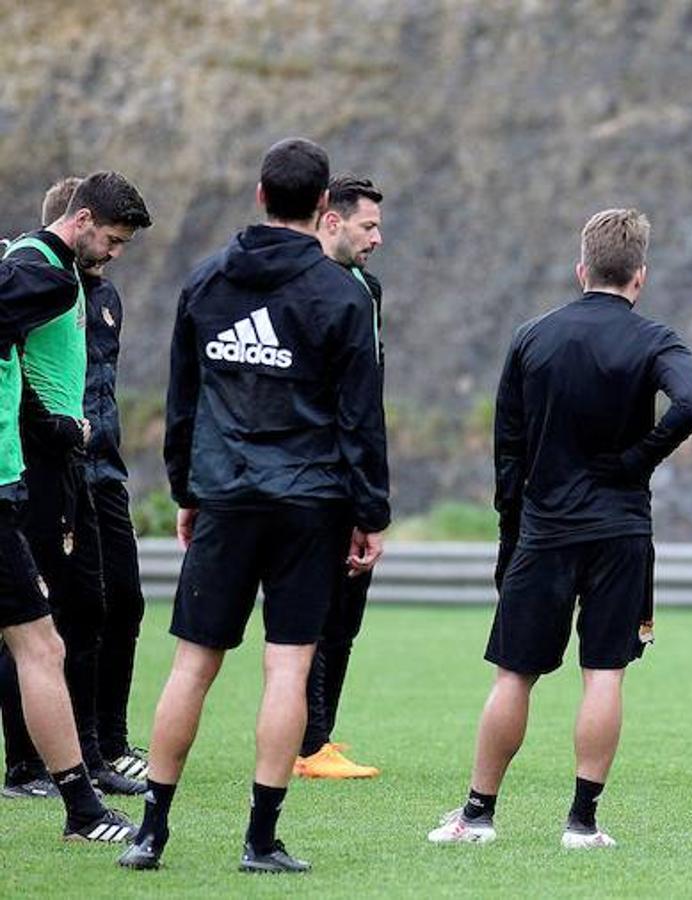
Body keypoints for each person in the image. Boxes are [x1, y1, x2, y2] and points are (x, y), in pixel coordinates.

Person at [119, 138, 388, 873]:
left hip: (226, 498)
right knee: (286, 671)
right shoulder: (341, 295)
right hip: (312, 503)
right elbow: (360, 417)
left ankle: (151, 833)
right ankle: (259, 840)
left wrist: (185, 491)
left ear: (260, 195)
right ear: (322, 207)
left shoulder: (206, 282)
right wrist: (372, 513)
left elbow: (183, 402)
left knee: (191, 667)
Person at [428, 209, 692, 849]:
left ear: (582, 269)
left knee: (514, 675)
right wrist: (639, 459)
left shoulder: (533, 337)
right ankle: (581, 822)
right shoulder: (655, 339)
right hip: (620, 530)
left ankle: (477, 815)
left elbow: (508, 450)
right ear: (640, 276)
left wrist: (509, 535)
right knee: (604, 672)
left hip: (544, 529)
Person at [0, 172, 152, 801]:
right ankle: (38, 767)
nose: (115, 254)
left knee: (79, 611)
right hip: (35, 467)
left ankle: (83, 756)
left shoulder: (66, 277)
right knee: (41, 622)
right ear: (82, 218)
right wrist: (56, 424)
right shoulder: (43, 271)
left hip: (61, 463)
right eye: (113, 240)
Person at [296, 174, 387, 780]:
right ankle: (307, 742)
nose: (377, 237)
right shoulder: (303, 284)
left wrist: (372, 495)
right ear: (332, 220)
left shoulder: (366, 288)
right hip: (316, 476)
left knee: (345, 614)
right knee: (317, 609)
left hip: (354, 473)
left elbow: (367, 396)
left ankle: (320, 733)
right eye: (368, 226)